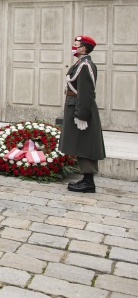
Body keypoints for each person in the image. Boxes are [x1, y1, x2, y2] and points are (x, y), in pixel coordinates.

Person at [61, 35, 105, 193]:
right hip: (77, 107)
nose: (74, 47)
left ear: (84, 48)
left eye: (76, 45)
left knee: (86, 145)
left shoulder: (85, 65)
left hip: (82, 110)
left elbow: (85, 93)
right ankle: (86, 180)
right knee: (81, 144)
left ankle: (88, 182)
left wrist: (81, 115)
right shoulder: (81, 63)